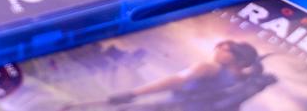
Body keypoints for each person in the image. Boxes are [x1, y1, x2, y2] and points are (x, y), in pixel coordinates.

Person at [107, 40, 275, 110]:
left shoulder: (209, 67)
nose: (217, 50)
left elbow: (176, 81)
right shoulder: (241, 84)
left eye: (225, 49)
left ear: (238, 58)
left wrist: (133, 93)